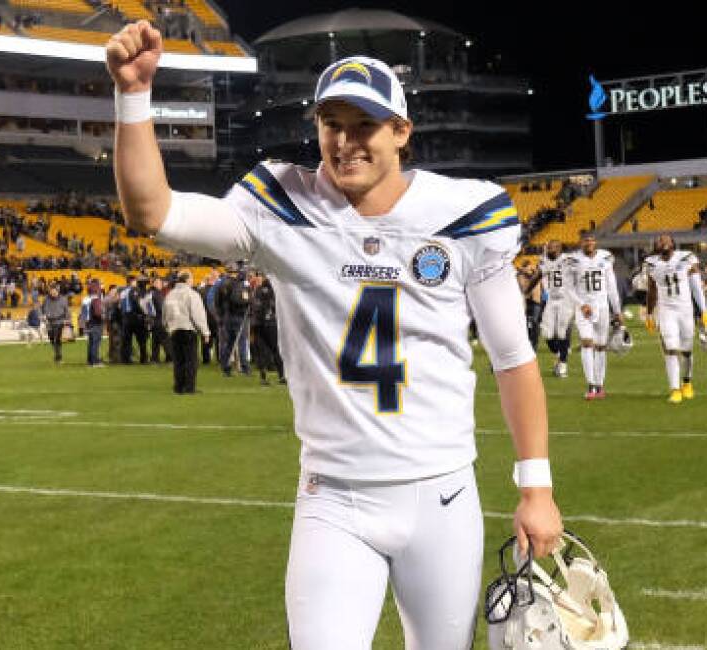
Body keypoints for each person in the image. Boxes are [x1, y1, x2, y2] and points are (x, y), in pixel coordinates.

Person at [106, 27, 562, 649]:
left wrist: (536, 488)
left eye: (364, 125)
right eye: (331, 123)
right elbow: (152, 213)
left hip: (443, 494)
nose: (345, 142)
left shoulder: (463, 216)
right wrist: (133, 97)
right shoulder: (283, 205)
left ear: (402, 130)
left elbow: (513, 358)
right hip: (333, 496)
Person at [642, 234, 707, 404]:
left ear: (673, 243)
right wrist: (649, 314)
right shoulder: (651, 263)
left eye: (666, 239)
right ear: (656, 245)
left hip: (685, 309)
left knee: (687, 351)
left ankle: (687, 382)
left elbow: (696, 286)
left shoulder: (686, 258)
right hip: (666, 311)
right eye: (659, 240)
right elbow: (652, 291)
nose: (663, 241)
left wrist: (704, 310)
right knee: (671, 348)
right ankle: (675, 389)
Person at [564, 232, 623, 399]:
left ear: (595, 242)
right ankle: (591, 385)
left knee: (601, 346)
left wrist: (617, 311)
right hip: (584, 308)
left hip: (602, 306)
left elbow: (611, 286)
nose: (588, 243)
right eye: (585, 240)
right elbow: (568, 287)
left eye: (591, 240)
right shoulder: (573, 260)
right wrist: (581, 305)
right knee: (587, 342)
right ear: (580, 242)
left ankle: (599, 385)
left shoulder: (605, 257)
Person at [163, 270, 210, 394]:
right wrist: (205, 331)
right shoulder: (191, 294)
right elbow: (198, 314)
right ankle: (189, 387)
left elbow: (165, 313)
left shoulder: (170, 294)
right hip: (188, 329)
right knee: (191, 360)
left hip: (174, 330)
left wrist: (167, 326)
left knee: (178, 360)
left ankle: (178, 387)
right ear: (188, 280)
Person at [536, 239, 574, 378]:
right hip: (551, 300)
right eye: (549, 247)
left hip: (565, 300)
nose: (549, 249)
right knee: (547, 333)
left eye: (552, 247)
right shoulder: (543, 261)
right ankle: (559, 353)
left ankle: (563, 364)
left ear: (559, 248)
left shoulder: (568, 260)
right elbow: (540, 275)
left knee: (562, 332)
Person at [249, 272, 285, 386]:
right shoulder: (270, 290)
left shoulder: (261, 290)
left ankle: (267, 376)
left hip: (262, 324)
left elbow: (256, 306)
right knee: (272, 350)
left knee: (266, 351)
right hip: (266, 323)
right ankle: (279, 376)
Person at [42, 284, 70, 363]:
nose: (53, 293)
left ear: (58, 291)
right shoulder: (46, 300)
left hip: (60, 321)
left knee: (57, 340)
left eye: (54, 291)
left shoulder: (63, 299)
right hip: (49, 322)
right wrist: (44, 316)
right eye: (51, 291)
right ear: (50, 291)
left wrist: (67, 320)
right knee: (51, 340)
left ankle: (58, 357)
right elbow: (43, 309)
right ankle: (57, 354)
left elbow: (67, 311)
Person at [82, 280, 107, 367]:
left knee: (91, 342)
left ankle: (90, 361)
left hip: (88, 322)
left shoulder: (85, 299)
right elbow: (98, 313)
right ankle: (95, 361)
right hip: (96, 322)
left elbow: (84, 313)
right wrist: (103, 317)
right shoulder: (96, 299)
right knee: (96, 343)